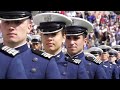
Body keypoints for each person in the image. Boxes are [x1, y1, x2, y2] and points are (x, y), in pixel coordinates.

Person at [0, 11, 61, 79]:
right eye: (6, 22)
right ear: (0, 26)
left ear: (29, 27)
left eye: (17, 22)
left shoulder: (45, 62)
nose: (11, 27)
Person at [33, 12, 89, 79]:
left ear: (63, 37)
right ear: (41, 36)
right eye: (46, 34)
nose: (49, 38)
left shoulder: (75, 67)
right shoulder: (31, 63)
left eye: (54, 34)